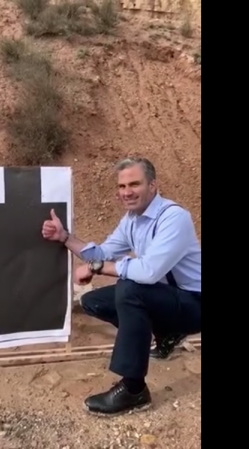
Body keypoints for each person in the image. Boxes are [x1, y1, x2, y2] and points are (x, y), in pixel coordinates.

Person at [41, 157, 202, 416]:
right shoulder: (132, 220)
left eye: (134, 184)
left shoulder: (174, 218)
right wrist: (65, 237)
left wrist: (96, 268)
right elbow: (101, 253)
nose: (126, 192)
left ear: (152, 185)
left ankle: (134, 389)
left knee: (130, 289)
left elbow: (148, 272)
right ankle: (166, 333)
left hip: (195, 302)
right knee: (94, 301)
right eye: (122, 186)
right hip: (168, 298)